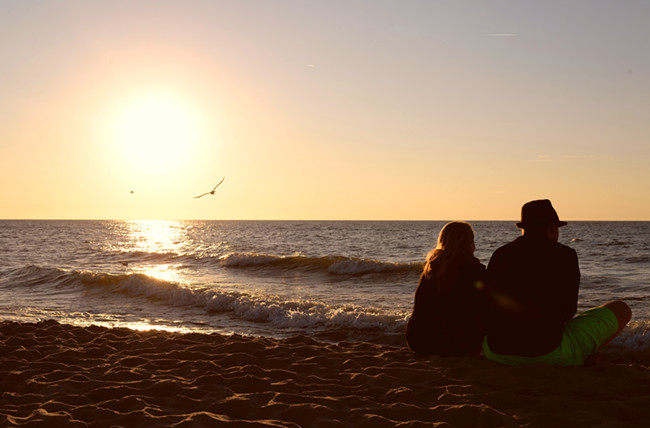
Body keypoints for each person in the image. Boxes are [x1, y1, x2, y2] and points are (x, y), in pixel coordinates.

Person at [483, 199, 632, 366]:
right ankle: (584, 353)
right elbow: (569, 310)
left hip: (496, 351)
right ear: (553, 228)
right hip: (549, 352)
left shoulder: (500, 254)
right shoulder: (565, 255)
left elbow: (487, 302)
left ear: (523, 229)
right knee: (621, 308)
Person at [406, 221, 486, 357]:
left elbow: (419, 305)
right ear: (469, 241)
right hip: (456, 345)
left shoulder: (431, 267)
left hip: (418, 340)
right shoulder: (474, 270)